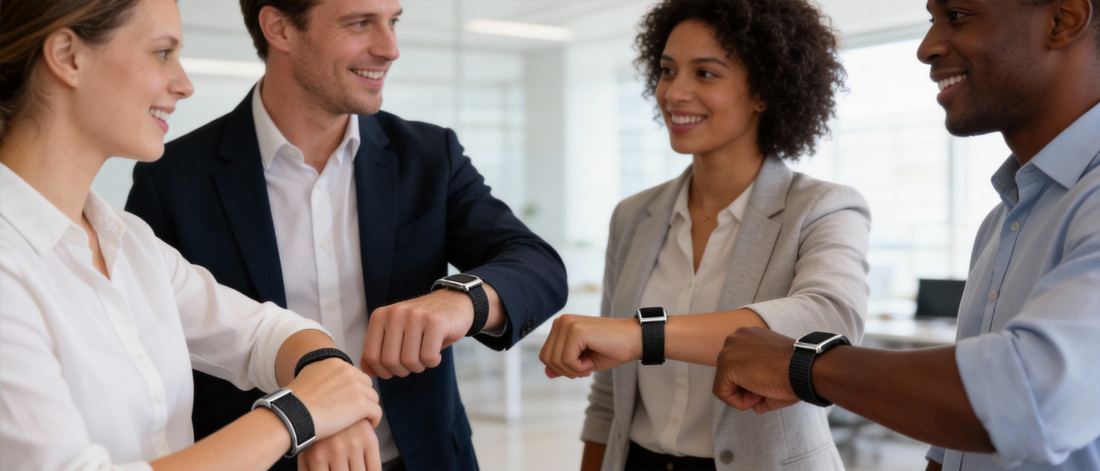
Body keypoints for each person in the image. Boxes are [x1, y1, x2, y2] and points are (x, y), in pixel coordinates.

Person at [123, 0, 568, 469]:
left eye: (392, 22)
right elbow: (146, 355)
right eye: (359, 23)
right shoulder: (173, 178)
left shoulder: (429, 156)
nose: (390, 48)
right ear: (280, 28)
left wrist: (463, 300)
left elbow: (537, 265)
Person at [711, 0, 1100, 469]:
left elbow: (1023, 394)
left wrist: (803, 364)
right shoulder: (1002, 223)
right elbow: (952, 444)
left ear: (1062, 20)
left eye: (957, 15)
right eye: (931, 20)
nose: (926, 48)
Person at [0, 0, 385, 470]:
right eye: (163, 53)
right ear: (67, 56)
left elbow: (266, 332)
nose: (183, 85)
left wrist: (327, 383)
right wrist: (296, 416)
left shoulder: (130, 242)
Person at [538, 0, 868, 469]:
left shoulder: (823, 207)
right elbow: (610, 398)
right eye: (668, 70)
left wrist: (642, 335)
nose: (674, 92)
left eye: (706, 74)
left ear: (764, 91)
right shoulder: (633, 216)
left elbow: (829, 319)